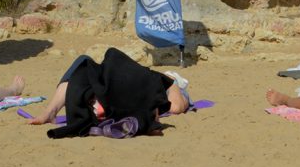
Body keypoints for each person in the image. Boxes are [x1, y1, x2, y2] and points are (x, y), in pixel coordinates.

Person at [29, 50, 190, 136]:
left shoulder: (140, 90)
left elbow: (153, 116)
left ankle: (172, 77)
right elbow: (73, 85)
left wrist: (171, 85)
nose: (93, 107)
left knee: (175, 108)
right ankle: (50, 112)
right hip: (111, 79)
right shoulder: (90, 93)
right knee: (82, 63)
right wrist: (49, 112)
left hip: (153, 81)